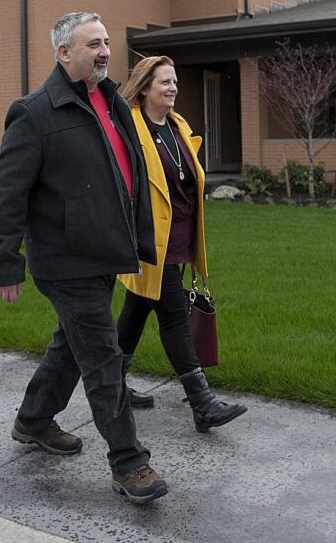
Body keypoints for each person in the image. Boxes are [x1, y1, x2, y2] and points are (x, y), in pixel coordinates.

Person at [0, 11, 167, 505]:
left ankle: (34, 419)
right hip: (64, 260)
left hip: (104, 250)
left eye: (106, 42)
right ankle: (129, 462)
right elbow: (6, 194)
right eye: (92, 44)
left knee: (72, 344)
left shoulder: (112, 102)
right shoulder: (35, 111)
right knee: (103, 357)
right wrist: (4, 262)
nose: (104, 51)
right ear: (64, 52)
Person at [116, 56, 247, 432]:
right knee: (173, 317)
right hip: (149, 240)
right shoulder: (132, 131)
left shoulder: (178, 126)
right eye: (164, 83)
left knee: (137, 309)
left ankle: (115, 384)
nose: (173, 88)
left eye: (175, 82)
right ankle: (202, 402)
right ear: (145, 88)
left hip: (180, 235)